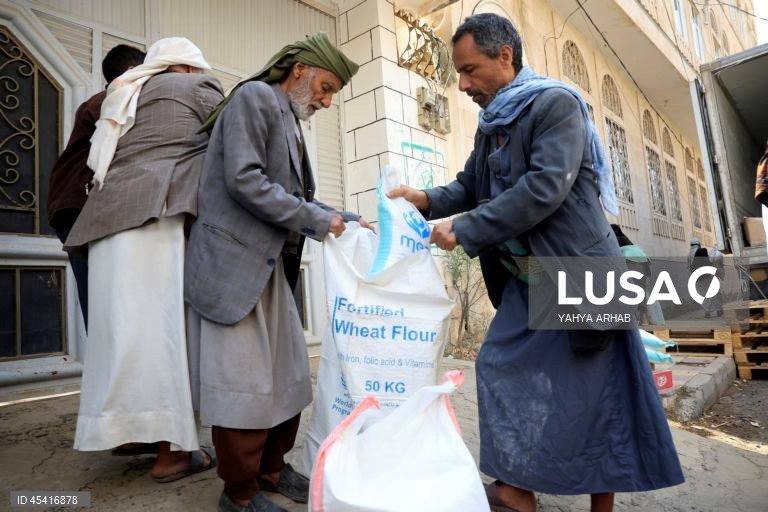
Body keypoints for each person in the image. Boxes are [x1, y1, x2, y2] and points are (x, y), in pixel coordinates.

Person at [389, 14, 683, 512]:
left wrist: (465, 228)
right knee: (499, 366)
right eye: (458, 73)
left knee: (598, 394)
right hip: (528, 280)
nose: (462, 84)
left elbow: (544, 188)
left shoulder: (554, 104)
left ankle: (591, 504)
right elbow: (469, 185)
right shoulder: (494, 123)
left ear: (505, 56)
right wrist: (424, 199)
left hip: (581, 276)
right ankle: (515, 489)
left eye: (469, 69)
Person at [185, 33, 363, 512]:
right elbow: (245, 179)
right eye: (325, 88)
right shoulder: (255, 97)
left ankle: (270, 469)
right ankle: (239, 495)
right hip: (234, 265)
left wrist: (345, 217)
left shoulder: (287, 118)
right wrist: (317, 220)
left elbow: (299, 201)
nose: (326, 101)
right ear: (300, 69)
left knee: (288, 377)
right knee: (242, 385)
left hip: (270, 268)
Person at [64, 37, 223, 482]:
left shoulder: (124, 91)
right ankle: (172, 453)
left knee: (121, 333)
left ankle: (131, 431)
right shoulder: (198, 88)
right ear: (189, 67)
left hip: (104, 219)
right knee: (164, 332)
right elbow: (232, 147)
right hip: (158, 212)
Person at [47, 44, 145, 328]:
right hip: (79, 209)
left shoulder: (108, 99)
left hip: (75, 208)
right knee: (103, 311)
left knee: (106, 306)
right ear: (132, 72)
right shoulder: (110, 98)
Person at [611, 224, 663, 325]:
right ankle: (644, 319)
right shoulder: (626, 239)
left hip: (629, 261)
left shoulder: (613, 240)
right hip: (643, 262)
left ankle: (632, 319)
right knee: (641, 290)